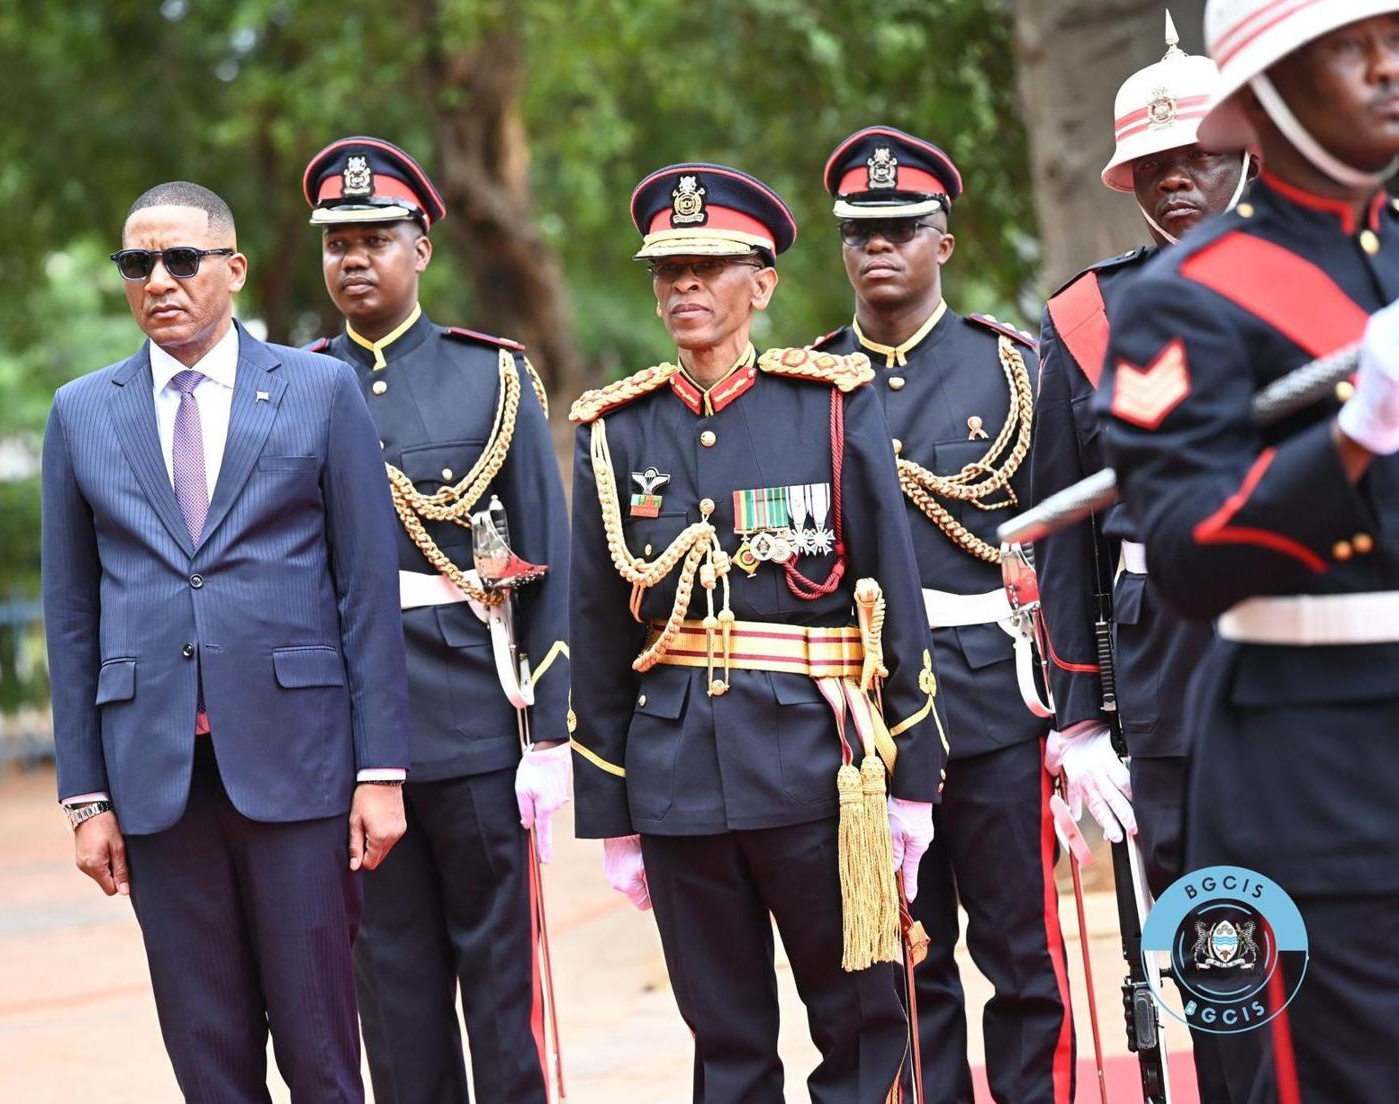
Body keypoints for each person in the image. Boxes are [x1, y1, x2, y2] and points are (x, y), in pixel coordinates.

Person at [569, 162, 945, 1102]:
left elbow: (893, 593)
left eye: (708, 268)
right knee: (726, 1042)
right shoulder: (616, 432)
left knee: (861, 1026)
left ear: (763, 285)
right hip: (677, 781)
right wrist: (611, 813)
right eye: (670, 271)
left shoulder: (829, 405)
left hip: (818, 770)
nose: (685, 287)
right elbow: (597, 628)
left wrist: (913, 780)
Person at [41, 180, 410, 1103]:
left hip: (300, 769)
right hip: (156, 783)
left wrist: (381, 771)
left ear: (234, 268)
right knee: (209, 1064)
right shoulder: (81, 412)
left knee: (322, 1055)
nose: (158, 280)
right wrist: (85, 798)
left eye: (181, 259)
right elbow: (71, 615)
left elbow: (367, 589)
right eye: (137, 264)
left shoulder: (319, 390)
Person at [1098, 2, 1399, 1098]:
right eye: (1350, 48)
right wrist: (1354, 435)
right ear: (1265, 92)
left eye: (1395, 41)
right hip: (1314, 758)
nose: (1386, 70)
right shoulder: (1188, 299)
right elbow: (1186, 552)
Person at [301, 136, 571, 1104]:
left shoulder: (491, 377)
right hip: (348, 739)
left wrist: (550, 734)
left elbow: (548, 560)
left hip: (475, 724)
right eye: (337, 243)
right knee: (394, 999)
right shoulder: (295, 388)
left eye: (375, 239)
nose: (354, 259)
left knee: (502, 998)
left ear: (420, 249)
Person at [811, 128, 1074, 1103]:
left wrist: (1078, 709)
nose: (878, 246)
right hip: (870, 717)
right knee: (904, 962)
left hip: (991, 702)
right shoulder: (810, 386)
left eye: (901, 228)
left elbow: (1060, 546)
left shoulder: (1011, 370)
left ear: (944, 243)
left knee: (1021, 953)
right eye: (860, 231)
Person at [1029, 19, 1258, 1101]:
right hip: (1164, 656)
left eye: (1198, 155)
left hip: (1312, 640)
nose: (1176, 179)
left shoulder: (1315, 276)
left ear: (1245, 150)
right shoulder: (1085, 317)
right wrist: (1079, 716)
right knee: (1213, 924)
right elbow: (1060, 529)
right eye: (1153, 164)